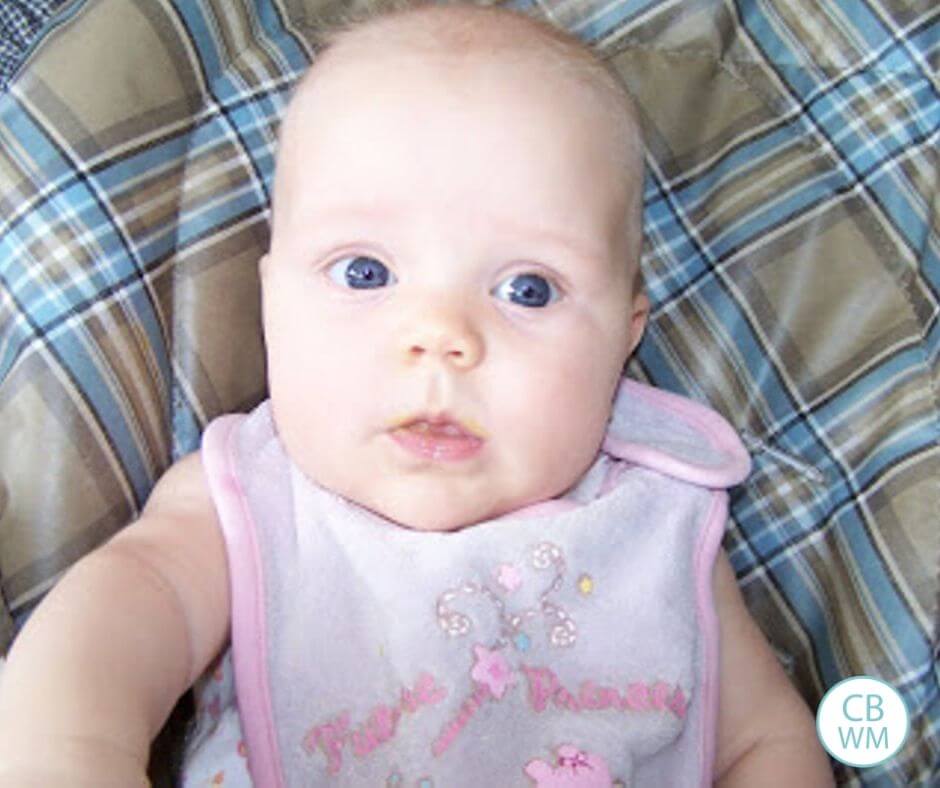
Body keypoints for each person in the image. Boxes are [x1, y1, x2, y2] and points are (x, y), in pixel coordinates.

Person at [0, 3, 834, 785]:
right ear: (271, 303)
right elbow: (100, 641)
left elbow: (765, 740)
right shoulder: (244, 503)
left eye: (529, 289)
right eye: (365, 272)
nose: (441, 335)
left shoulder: (657, 518)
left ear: (626, 331)